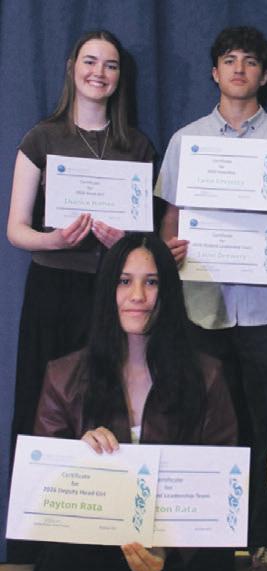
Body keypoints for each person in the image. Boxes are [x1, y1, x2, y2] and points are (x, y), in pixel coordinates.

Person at [154, 26, 267, 568]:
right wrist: (168, 251)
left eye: (249, 61)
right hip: (202, 302)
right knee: (208, 421)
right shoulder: (187, 140)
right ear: (214, 72)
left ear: (263, 75)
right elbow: (171, 215)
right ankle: (210, 539)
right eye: (229, 60)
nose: (239, 69)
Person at [32, 233, 238, 571]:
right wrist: (77, 461)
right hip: (90, 549)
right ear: (107, 290)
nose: (138, 296)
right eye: (124, 281)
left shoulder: (208, 377)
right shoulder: (62, 376)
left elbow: (220, 486)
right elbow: (43, 490)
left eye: (152, 282)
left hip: (179, 551)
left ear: (168, 292)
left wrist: (165, 548)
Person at [6, 29, 155, 447]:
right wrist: (53, 241)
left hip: (112, 293)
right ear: (72, 68)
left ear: (120, 77)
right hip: (53, 290)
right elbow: (15, 229)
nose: (99, 72)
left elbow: (146, 241)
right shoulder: (41, 138)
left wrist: (125, 242)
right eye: (90, 62)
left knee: (106, 399)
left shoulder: (138, 146)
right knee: (43, 395)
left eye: (111, 65)